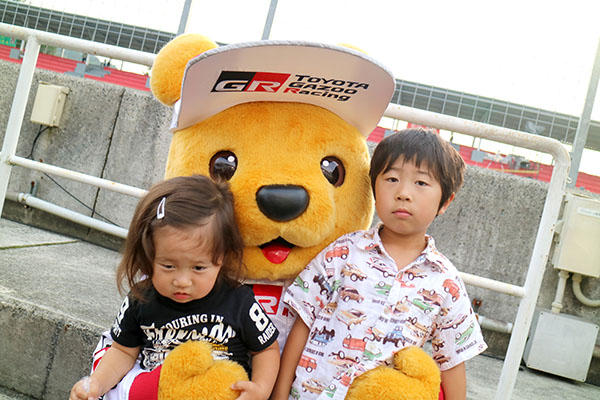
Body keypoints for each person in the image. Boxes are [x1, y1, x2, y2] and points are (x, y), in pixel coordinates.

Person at [272, 129, 487, 400]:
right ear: (374, 187)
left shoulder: (444, 281)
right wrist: (279, 394)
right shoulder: (343, 252)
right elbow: (303, 322)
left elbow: (453, 361)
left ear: (445, 201)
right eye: (392, 178)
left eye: (421, 183)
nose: (403, 193)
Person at [70, 175, 279, 400]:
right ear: (148, 256)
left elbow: (266, 349)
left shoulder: (239, 301)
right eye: (168, 266)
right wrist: (96, 384)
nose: (182, 281)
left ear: (222, 258)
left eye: (198, 268)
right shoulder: (141, 298)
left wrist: (260, 389)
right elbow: (122, 350)